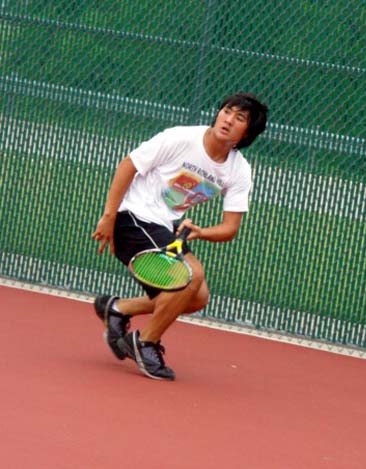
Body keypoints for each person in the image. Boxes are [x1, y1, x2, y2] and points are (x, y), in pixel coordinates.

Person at [91, 93, 269, 380]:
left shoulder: (239, 171)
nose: (228, 119)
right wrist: (109, 216)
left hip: (163, 226)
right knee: (192, 275)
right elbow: (129, 164)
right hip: (132, 216)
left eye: (239, 118)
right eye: (227, 111)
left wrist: (201, 232)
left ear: (246, 134)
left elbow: (230, 228)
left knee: (199, 298)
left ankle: (118, 309)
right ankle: (144, 342)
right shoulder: (181, 138)